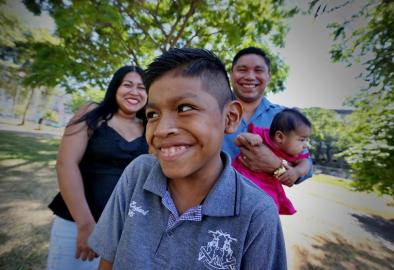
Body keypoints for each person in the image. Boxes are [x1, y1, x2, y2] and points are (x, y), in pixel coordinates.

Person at [89, 48, 287, 269]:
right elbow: (108, 261)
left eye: (185, 108)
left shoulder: (257, 212)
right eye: (153, 114)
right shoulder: (138, 174)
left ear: (230, 118)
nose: (161, 130)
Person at [47, 66, 148, 270]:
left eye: (142, 87)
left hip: (122, 230)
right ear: (115, 87)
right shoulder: (92, 113)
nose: (135, 92)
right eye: (127, 85)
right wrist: (85, 226)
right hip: (75, 224)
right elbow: (66, 165)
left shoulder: (150, 126)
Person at [223, 46, 312, 187]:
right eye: (242, 69)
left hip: (264, 202)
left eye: (258, 70)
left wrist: (276, 165)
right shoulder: (211, 110)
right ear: (231, 74)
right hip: (212, 203)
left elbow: (306, 165)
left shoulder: (286, 118)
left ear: (269, 77)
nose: (250, 76)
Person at [233, 108, 312, 215]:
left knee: (268, 209)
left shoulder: (294, 152)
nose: (306, 145)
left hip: (267, 187)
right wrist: (249, 136)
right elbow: (238, 140)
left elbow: (305, 163)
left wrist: (297, 171)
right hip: (239, 178)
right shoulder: (262, 136)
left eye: (307, 140)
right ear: (280, 137)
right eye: (302, 140)